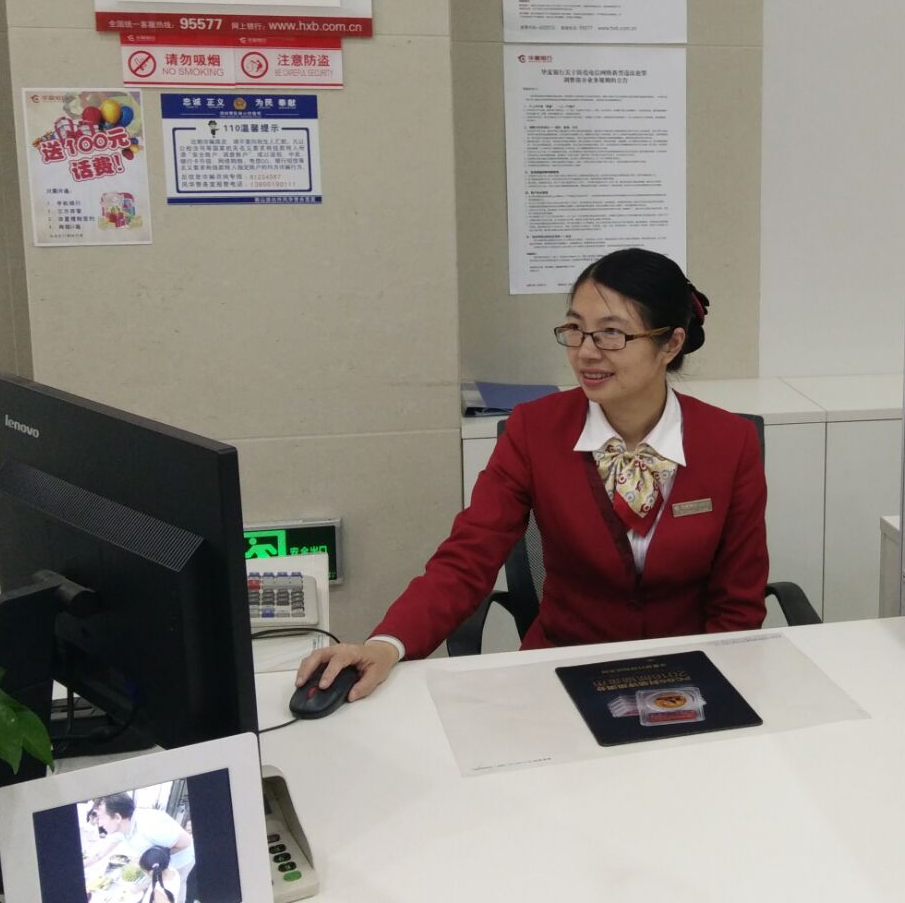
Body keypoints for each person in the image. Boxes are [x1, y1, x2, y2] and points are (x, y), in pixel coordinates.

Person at [299, 248, 769, 701]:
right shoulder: (535, 430)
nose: (586, 352)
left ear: (671, 344)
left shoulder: (729, 442)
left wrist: (706, 696)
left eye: (611, 334)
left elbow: (738, 601)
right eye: (575, 329)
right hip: (562, 673)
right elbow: (469, 557)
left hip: (687, 674)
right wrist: (387, 644)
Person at [93, 792, 195, 894]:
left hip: (180, 860)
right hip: (157, 863)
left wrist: (145, 859)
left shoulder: (150, 826)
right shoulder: (120, 828)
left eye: (101, 818)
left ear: (117, 817)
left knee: (171, 892)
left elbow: (185, 842)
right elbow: (100, 854)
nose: (99, 824)